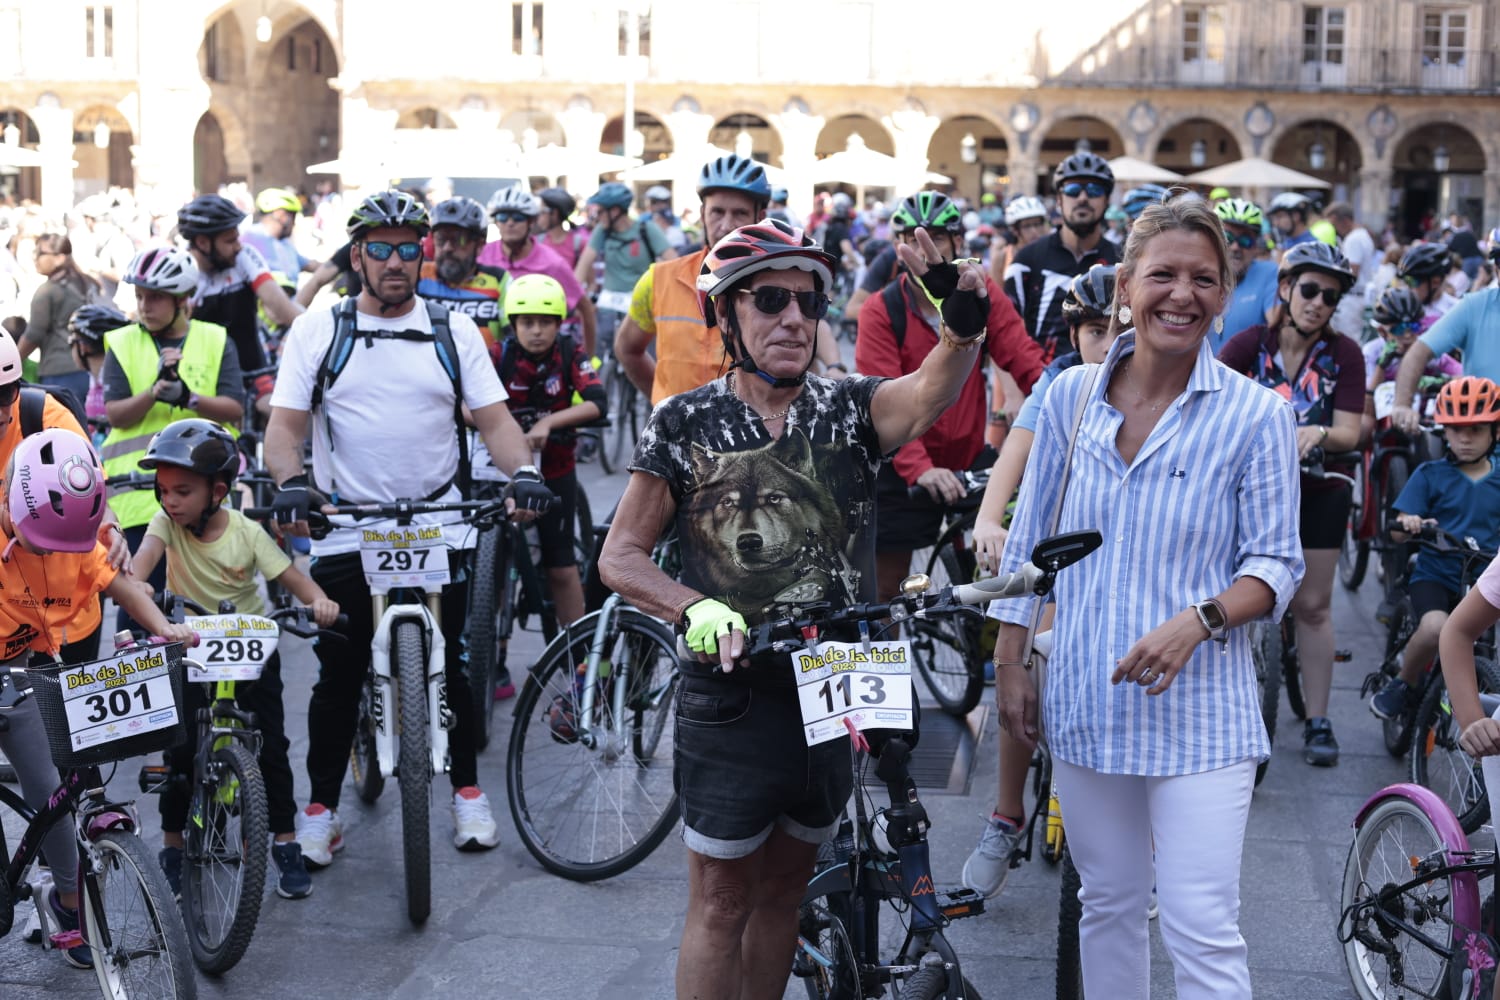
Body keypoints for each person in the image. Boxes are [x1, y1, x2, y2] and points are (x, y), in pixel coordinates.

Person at [598, 218, 994, 998]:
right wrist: (693, 609)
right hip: (733, 698)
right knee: (722, 902)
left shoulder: (850, 408)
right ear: (726, 314)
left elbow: (929, 392)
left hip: (834, 683)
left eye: (808, 303)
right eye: (770, 300)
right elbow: (621, 556)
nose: (793, 319)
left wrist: (960, 323)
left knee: (784, 892)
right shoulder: (684, 421)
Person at [993, 197, 1303, 1000]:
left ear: (1224, 293)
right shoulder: (1070, 398)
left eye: (1204, 278)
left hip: (1203, 715)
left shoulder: (1255, 416)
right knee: (1107, 905)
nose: (1182, 294)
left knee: (1201, 923)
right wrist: (1011, 662)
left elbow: (1276, 565)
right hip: (1088, 700)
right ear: (1126, 285)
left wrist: (1200, 621)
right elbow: (1030, 548)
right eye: (1163, 274)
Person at [263, 190, 554, 864]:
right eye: (381, 249)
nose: (396, 262)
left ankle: (467, 793)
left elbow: (496, 422)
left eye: (407, 249)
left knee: (454, 660)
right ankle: (321, 810)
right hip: (350, 523)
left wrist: (522, 473)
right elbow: (285, 428)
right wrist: (291, 483)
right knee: (338, 672)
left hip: (437, 520)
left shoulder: (453, 331)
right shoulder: (320, 329)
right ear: (357, 256)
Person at [0, 428, 195, 968]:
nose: (51, 555)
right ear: (11, 505)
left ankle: (68, 904)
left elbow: (119, 584)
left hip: (24, 671)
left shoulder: (75, 542)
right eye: (40, 542)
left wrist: (164, 628)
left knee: (52, 790)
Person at [130, 418, 340, 901]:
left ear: (218, 492)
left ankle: (284, 842)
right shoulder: (165, 525)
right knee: (179, 750)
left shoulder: (246, 532)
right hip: (190, 645)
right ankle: (173, 847)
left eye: (182, 491)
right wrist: (138, 586)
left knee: (273, 748)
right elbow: (141, 568)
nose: (169, 501)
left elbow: (294, 580)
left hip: (249, 648)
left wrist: (320, 602)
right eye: (163, 490)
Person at [962, 264, 1121, 899]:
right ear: (1073, 335)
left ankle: (1141, 840)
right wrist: (987, 521)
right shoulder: (1059, 382)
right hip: (1056, 551)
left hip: (1124, 560)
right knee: (1022, 657)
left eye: (1119, 330)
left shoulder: (1160, 379)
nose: (1108, 345)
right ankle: (1007, 813)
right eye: (1094, 331)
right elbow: (1015, 455)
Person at [855, 190, 1043, 602]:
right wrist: (920, 468)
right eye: (910, 239)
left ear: (958, 242)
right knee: (888, 591)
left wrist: (1069, 402)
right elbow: (881, 402)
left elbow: (1024, 358)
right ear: (896, 247)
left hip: (966, 454)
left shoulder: (980, 291)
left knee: (997, 575)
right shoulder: (880, 310)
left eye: (936, 238)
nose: (924, 249)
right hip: (901, 461)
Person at [1218, 241, 1364, 766]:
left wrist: (1316, 432)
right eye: (1309, 289)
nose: (1318, 302)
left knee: (1314, 607)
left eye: (1330, 296)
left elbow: (1349, 430)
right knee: (1231, 595)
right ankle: (1228, 711)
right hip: (1251, 490)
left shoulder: (1345, 354)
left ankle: (1319, 720)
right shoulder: (1246, 345)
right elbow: (1209, 404)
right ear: (1285, 287)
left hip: (1321, 487)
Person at [102, 246, 245, 621]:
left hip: (203, 498)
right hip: (137, 501)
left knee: (204, 610)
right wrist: (153, 392)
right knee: (138, 608)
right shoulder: (121, 342)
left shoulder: (216, 339)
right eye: (139, 296)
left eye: (155, 297)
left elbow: (234, 407)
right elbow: (115, 414)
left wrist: (188, 397)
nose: (144, 306)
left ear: (182, 299)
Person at [1368, 377, 1500, 721]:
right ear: (1444, 432)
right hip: (1436, 574)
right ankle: (1404, 681)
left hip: (1485, 578)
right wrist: (1409, 521)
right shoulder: (1430, 474)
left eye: (1476, 430)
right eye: (1456, 430)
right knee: (1433, 628)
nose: (1465, 439)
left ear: (1495, 432)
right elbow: (1397, 530)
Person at [615, 154, 771, 405]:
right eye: (717, 211)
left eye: (739, 213)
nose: (726, 225)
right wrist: (662, 406)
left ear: (759, 218)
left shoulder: (776, 286)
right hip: (674, 429)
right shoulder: (658, 279)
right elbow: (627, 349)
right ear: (702, 213)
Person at [495, 274, 604, 632]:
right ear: (513, 324)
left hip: (556, 469)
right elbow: (466, 403)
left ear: (559, 324)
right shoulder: (499, 355)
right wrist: (503, 428)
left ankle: (578, 651)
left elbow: (597, 402)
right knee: (490, 566)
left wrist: (549, 423)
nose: (537, 331)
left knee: (561, 567)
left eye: (545, 322)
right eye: (527, 322)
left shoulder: (570, 351)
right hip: (500, 472)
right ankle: (490, 650)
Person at [1005, 153, 1121, 360]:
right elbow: (1005, 332)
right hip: (1040, 376)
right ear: (1059, 199)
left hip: (1107, 374)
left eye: (1094, 190)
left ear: (1107, 201)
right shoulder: (1027, 260)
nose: (1083, 198)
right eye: (1072, 190)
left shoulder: (1123, 261)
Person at [176, 193, 303, 373]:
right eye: (230, 241)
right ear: (203, 242)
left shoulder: (244, 256)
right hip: (203, 374)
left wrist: (322, 333)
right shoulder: (181, 272)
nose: (238, 246)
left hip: (251, 370)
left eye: (237, 237)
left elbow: (283, 308)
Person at [1391, 248, 1500, 436]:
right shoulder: (1474, 307)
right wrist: (1402, 405)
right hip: (1478, 438)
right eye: (1498, 262)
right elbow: (1418, 352)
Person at [477, 187, 597, 356]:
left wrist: (589, 357)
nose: (510, 223)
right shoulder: (482, 256)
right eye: (502, 217)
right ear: (495, 222)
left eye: (518, 217)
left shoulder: (552, 263)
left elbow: (585, 308)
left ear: (531, 222)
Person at [573, 182, 675, 359]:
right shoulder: (602, 231)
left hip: (640, 303)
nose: (596, 217)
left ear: (615, 211)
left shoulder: (646, 229)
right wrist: (574, 299)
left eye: (600, 211)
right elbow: (582, 267)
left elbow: (675, 263)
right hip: (609, 304)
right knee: (599, 357)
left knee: (645, 356)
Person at [417, 196, 511, 347]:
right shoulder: (419, 275)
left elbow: (515, 336)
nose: (447, 248)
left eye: (458, 239)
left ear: (479, 245)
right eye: (440, 239)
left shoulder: (499, 280)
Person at [17, 233, 98, 403]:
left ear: (60, 258)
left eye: (40, 253)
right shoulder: (87, 284)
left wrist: (12, 362)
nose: (35, 258)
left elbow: (34, 335)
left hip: (58, 372)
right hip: (88, 368)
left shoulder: (47, 291)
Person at [1214, 198, 1278, 351]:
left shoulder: (1269, 273)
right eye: (1227, 238)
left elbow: (1276, 323)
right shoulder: (1196, 273)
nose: (1235, 247)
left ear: (1256, 246)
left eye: (1245, 240)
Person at [241, 187, 318, 286]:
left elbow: (309, 265)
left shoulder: (285, 243)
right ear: (280, 215)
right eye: (293, 217)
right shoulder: (250, 238)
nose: (294, 223)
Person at [1326, 202, 1378, 339]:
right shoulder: (1363, 235)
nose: (1335, 230)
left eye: (1334, 224)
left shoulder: (1353, 239)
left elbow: (1352, 271)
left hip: (1352, 298)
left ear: (1344, 221)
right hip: (1360, 296)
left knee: (1347, 339)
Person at [535, 187, 590, 270]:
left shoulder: (579, 244)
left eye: (542, 212)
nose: (538, 217)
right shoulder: (537, 242)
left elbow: (588, 276)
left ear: (554, 213)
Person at [644, 185, 688, 252]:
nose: (649, 205)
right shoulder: (644, 219)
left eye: (653, 202)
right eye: (651, 202)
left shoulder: (674, 220)